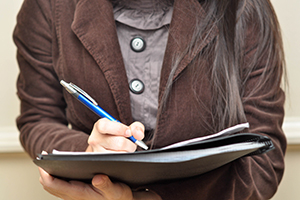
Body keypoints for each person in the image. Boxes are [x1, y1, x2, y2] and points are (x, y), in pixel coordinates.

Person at [13, 0, 286, 199]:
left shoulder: (245, 8)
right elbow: (38, 120)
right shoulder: (47, 7)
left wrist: (150, 197)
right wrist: (88, 151)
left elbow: (264, 163)